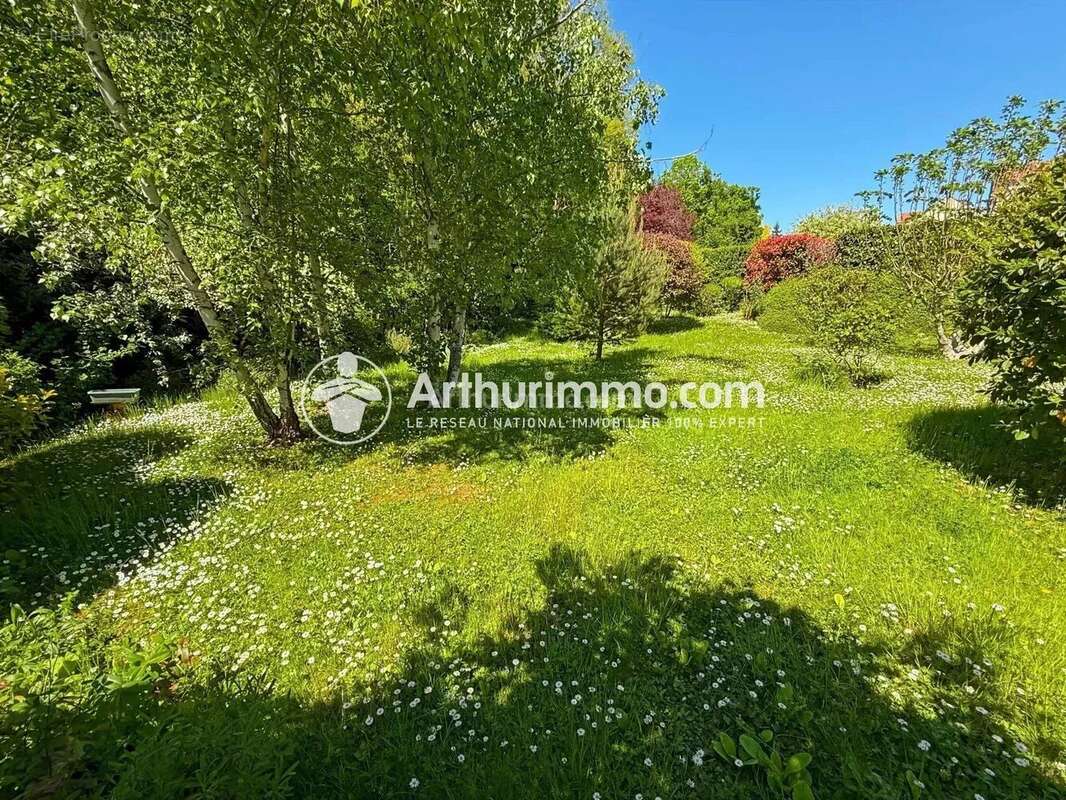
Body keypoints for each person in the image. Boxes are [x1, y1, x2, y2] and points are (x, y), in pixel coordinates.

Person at [311, 352, 382, 434]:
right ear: (338, 368)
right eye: (344, 366)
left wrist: (353, 388)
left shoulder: (359, 384)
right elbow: (315, 395)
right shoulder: (330, 385)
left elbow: (377, 395)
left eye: (351, 366)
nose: (347, 369)